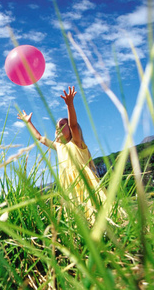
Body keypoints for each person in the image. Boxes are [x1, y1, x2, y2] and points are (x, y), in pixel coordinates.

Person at [17, 86, 106, 221]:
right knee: (77, 215)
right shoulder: (58, 146)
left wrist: (70, 105)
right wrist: (28, 122)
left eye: (64, 125)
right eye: (58, 126)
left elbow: (74, 124)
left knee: (93, 209)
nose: (60, 128)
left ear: (70, 129)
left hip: (84, 181)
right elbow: (40, 138)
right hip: (68, 184)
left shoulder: (76, 142)